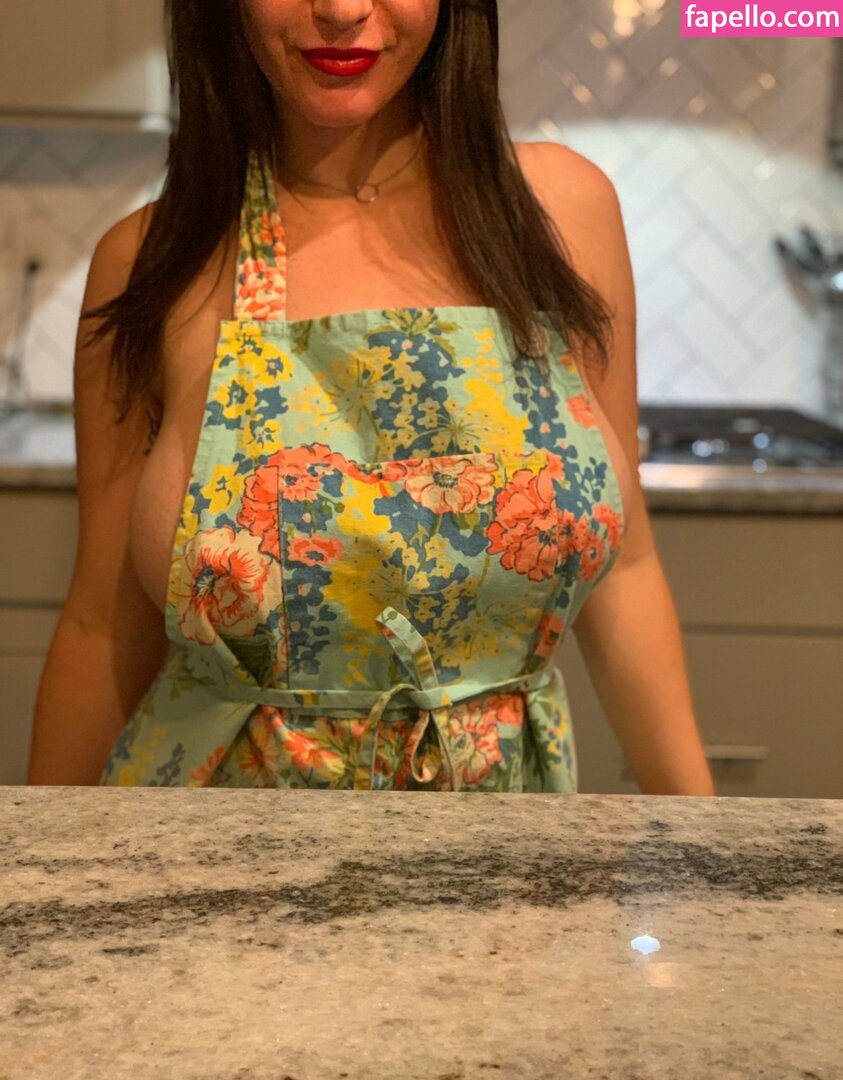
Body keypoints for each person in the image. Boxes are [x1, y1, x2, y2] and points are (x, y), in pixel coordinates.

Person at [26, 0, 715, 796]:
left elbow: (627, 569)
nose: (343, 9)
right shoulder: (155, 261)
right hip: (216, 836)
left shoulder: (562, 213)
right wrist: (38, 863)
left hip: (501, 840)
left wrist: (699, 833)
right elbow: (103, 625)